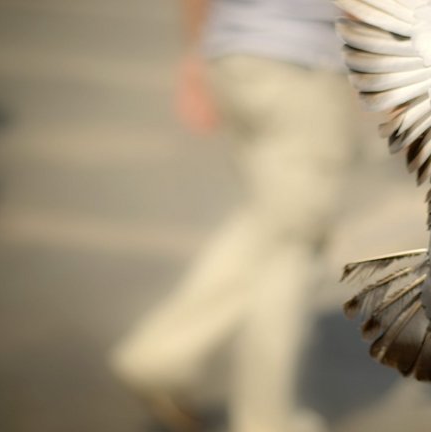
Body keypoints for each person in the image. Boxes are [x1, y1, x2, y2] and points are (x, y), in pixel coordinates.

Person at [109, 1, 357, 431]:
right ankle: (264, 419)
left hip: (233, 57)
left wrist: (196, 54)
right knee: (294, 248)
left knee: (272, 221)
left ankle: (159, 357)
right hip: (301, 68)